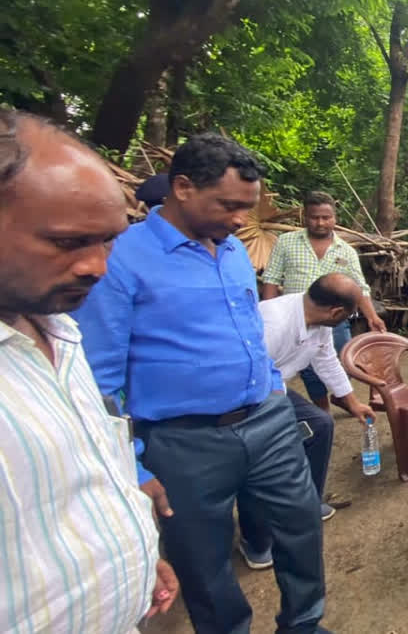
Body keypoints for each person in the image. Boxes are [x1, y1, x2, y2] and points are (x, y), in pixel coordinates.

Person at [74, 133, 327, 633]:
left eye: (246, 208)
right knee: (203, 561)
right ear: (183, 187)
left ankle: (303, 623)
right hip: (183, 441)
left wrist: (274, 384)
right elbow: (98, 378)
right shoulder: (121, 259)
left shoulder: (232, 250)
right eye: (229, 205)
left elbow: (249, 326)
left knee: (300, 527)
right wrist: (131, 465)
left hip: (267, 418)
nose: (239, 220)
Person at [0, 110, 178, 631]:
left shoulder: (61, 330)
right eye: (67, 242)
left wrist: (131, 556)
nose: (98, 266)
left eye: (107, 241)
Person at [238, 273, 377, 568]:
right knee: (260, 458)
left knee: (320, 425)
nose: (347, 321)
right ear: (336, 312)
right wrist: (274, 421)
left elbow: (326, 360)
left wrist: (353, 403)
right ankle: (255, 540)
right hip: (241, 396)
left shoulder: (318, 322)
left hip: (274, 388)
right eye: (349, 316)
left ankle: (306, 503)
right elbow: (246, 375)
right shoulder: (273, 323)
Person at [262, 190, 386, 411]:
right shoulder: (286, 242)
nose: (320, 222)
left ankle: (341, 397)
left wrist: (372, 316)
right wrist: (266, 310)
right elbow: (271, 279)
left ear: (335, 218)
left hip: (332, 320)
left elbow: (360, 287)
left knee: (341, 359)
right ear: (305, 217)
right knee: (307, 370)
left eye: (326, 217)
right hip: (295, 316)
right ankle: (321, 410)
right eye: (314, 217)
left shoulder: (346, 251)